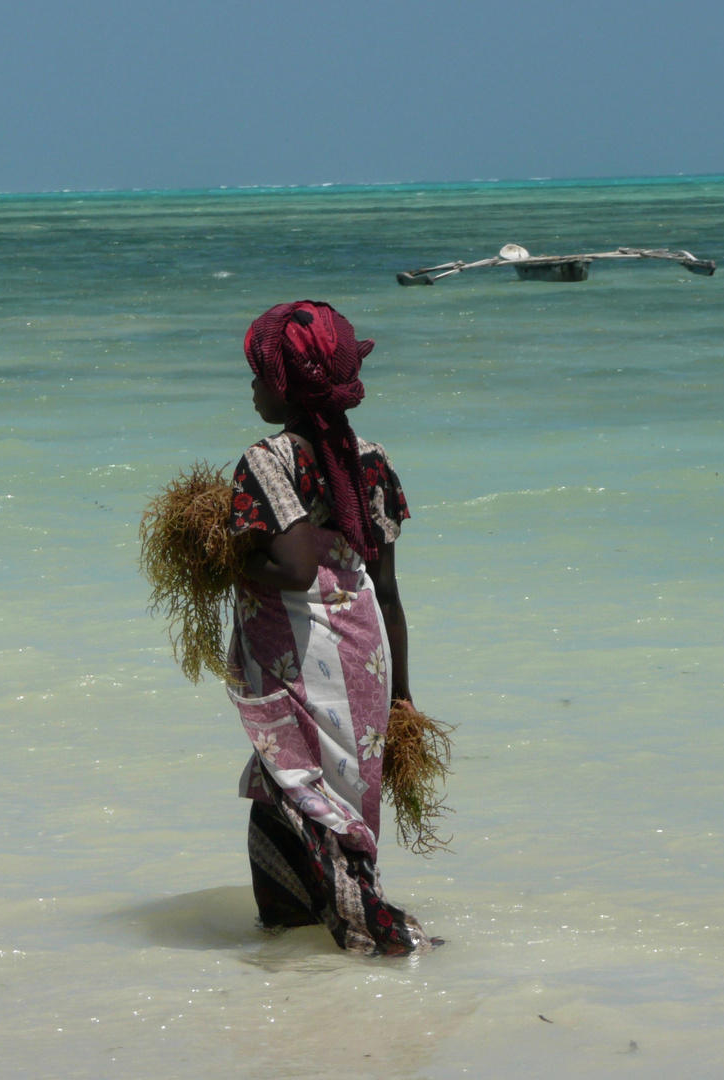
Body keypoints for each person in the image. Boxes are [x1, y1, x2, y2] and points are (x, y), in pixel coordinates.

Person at [226, 300, 437, 955]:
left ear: (285, 383)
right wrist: (402, 695)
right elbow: (389, 588)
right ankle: (307, 976)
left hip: (303, 664)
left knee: (302, 795)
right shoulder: (370, 459)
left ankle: (365, 935)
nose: (252, 387)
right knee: (309, 796)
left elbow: (291, 568)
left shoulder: (269, 461)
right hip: (363, 660)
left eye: (260, 374)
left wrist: (225, 555)